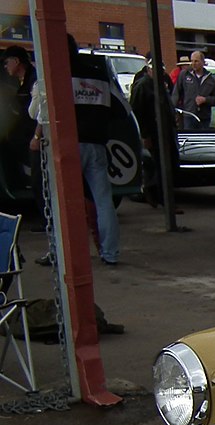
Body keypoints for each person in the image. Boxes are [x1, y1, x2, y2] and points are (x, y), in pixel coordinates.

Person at [69, 37, 120, 264]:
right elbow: (121, 109)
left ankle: (67, 254)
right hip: (97, 143)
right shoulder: (98, 74)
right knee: (103, 201)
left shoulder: (57, 74)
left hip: (69, 144)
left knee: (65, 201)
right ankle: (110, 252)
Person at [129, 56, 177, 207]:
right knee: (157, 166)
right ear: (149, 70)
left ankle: (158, 196)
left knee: (167, 165)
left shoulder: (160, 84)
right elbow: (136, 112)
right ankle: (158, 197)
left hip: (166, 131)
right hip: (153, 132)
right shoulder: (143, 86)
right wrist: (144, 135)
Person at [2, 46, 39, 200]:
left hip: (36, 137)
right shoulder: (23, 82)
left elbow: (39, 112)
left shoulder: (35, 80)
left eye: (7, 62)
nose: (5, 66)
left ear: (17, 61)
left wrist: (36, 137)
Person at [172, 51, 215, 129]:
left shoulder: (210, 79)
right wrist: (174, 111)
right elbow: (176, 94)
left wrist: (205, 99)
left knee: (202, 140)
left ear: (202, 62)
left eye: (196, 61)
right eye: (192, 61)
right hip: (188, 115)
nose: (193, 63)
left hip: (204, 117)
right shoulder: (184, 75)